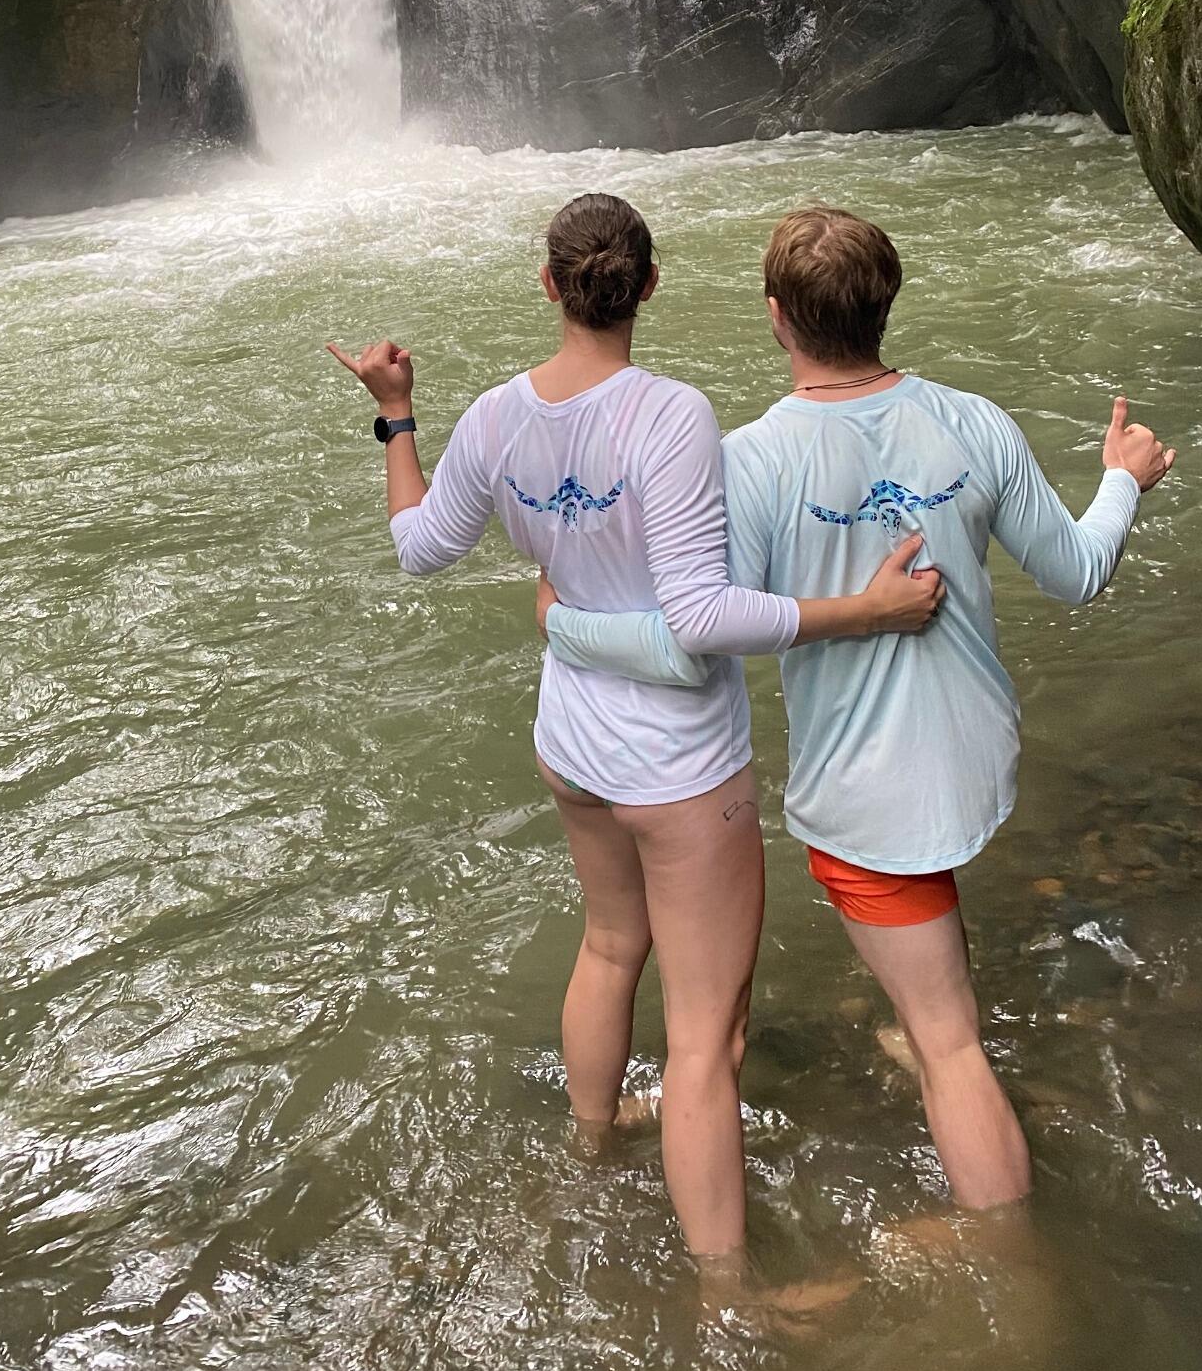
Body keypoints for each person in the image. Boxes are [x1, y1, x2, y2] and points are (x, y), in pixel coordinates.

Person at [326, 193, 944, 1275]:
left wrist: (397, 414)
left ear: (551, 285)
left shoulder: (498, 419)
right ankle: (723, 1294)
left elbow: (420, 546)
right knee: (702, 1042)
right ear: (649, 287)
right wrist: (866, 610)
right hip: (679, 766)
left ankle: (591, 1145)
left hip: (573, 745)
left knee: (611, 948)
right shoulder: (670, 414)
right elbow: (702, 618)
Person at [539, 204, 1175, 1215]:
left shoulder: (746, 464)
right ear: (886, 306)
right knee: (927, 983)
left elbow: (683, 641)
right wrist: (1120, 478)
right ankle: (912, 996)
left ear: (777, 316)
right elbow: (1079, 572)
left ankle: (1007, 1262)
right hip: (973, 760)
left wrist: (567, 619)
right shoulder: (975, 422)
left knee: (950, 1041)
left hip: (876, 801)